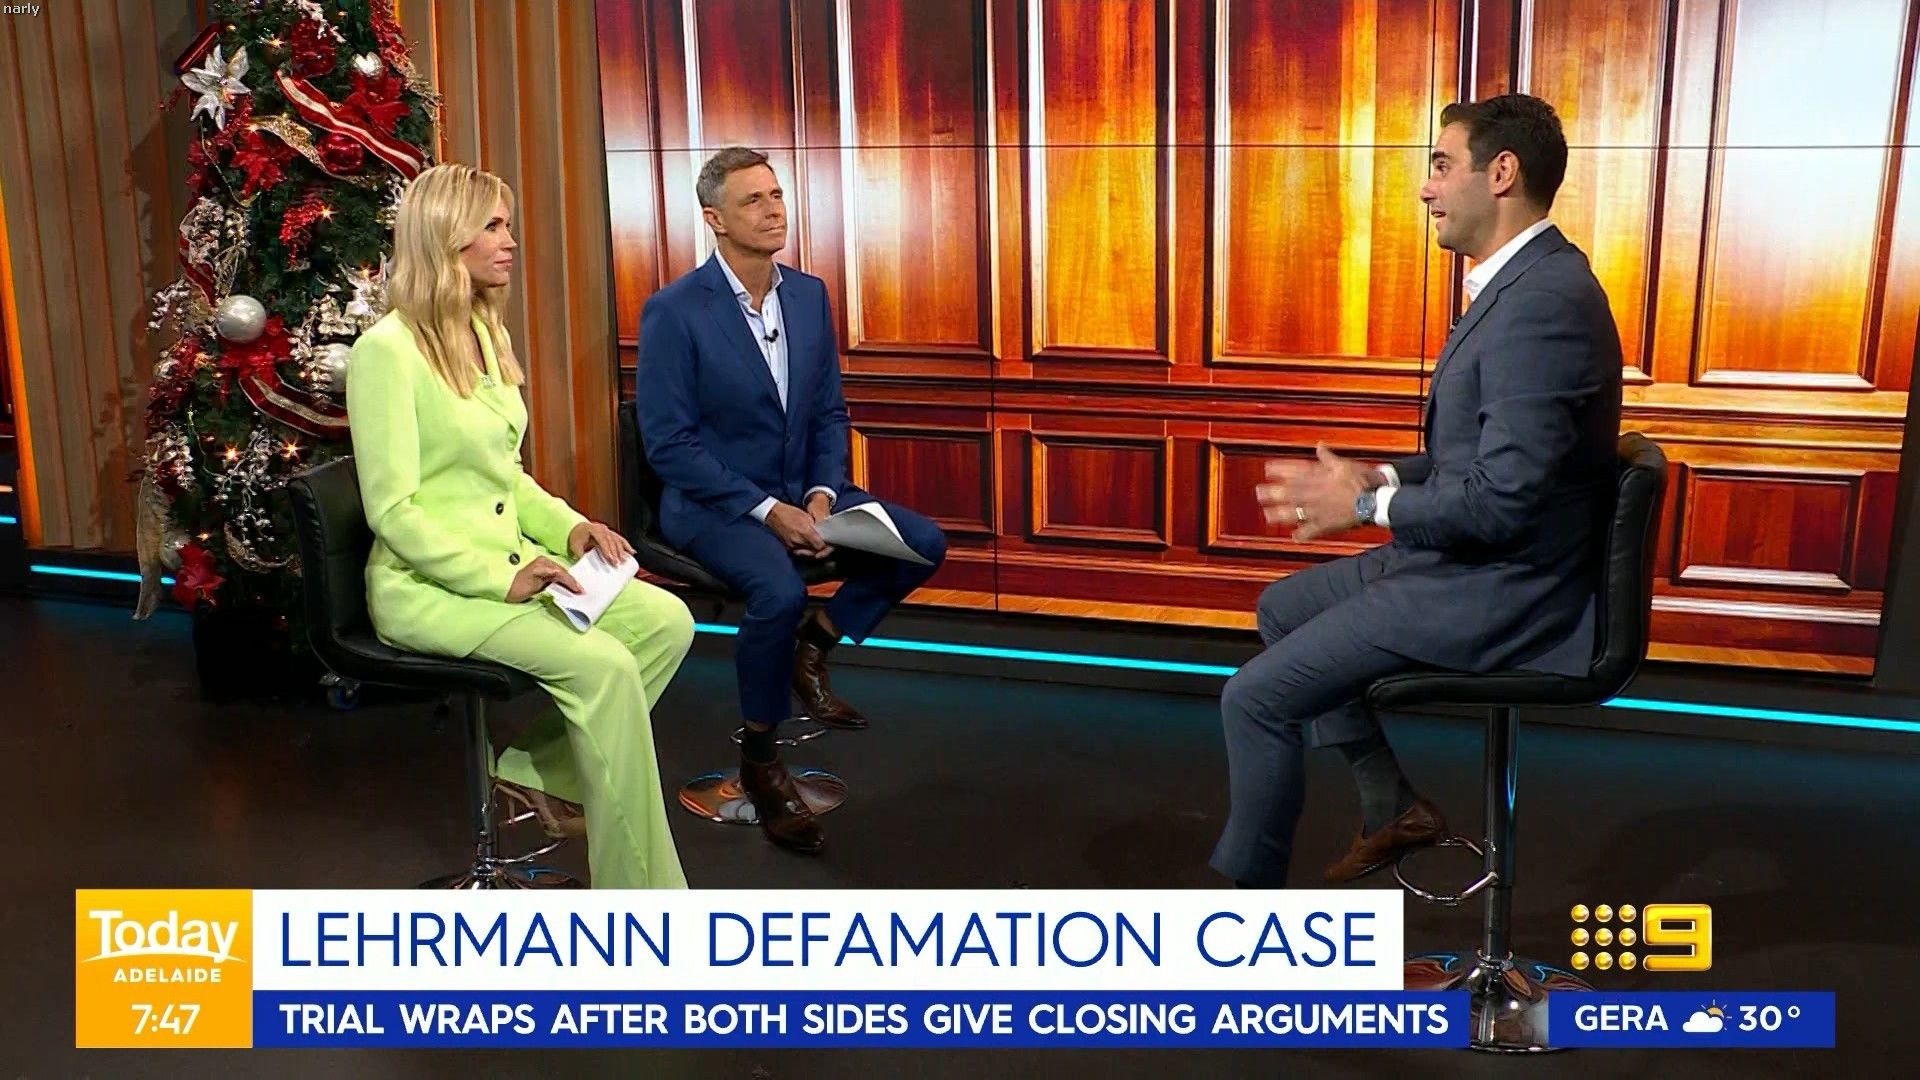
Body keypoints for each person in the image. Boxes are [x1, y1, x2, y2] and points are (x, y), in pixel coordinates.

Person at [1211, 94, 1623, 888]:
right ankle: (1390, 804)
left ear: (1501, 173)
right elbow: (1481, 457)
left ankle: (1247, 921)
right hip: (1473, 566)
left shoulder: (1543, 304)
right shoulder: (1523, 286)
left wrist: (1366, 508)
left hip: (1504, 590)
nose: (1426, 188)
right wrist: (1386, 477)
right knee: (1282, 608)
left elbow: (1502, 500)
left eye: (1440, 165)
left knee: (1254, 700)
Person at [347, 163, 694, 889]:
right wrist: (500, 577)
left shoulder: (481, 329)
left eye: (508, 225)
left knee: (666, 622)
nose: (510, 241)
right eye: (493, 226)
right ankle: (645, 898)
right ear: (446, 236)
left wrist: (571, 530)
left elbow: (504, 475)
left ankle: (535, 773)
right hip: (430, 588)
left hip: (512, 559)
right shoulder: (386, 351)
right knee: (606, 668)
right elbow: (394, 511)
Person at [636, 147, 948, 855]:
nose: (774, 210)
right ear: (715, 219)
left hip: (803, 492)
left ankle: (815, 645)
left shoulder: (808, 295)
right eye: (753, 200)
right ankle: (760, 758)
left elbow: (829, 412)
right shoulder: (675, 311)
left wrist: (820, 494)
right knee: (777, 590)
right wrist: (768, 511)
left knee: (923, 543)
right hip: (714, 502)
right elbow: (669, 445)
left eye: (776, 195)